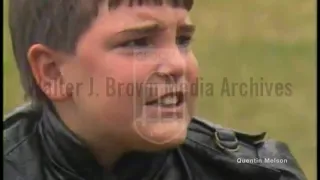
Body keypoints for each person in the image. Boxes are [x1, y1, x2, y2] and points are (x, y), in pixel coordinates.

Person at [3, 0, 307, 179]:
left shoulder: (257, 173)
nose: (177, 64)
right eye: (138, 43)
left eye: (183, 39)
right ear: (52, 72)